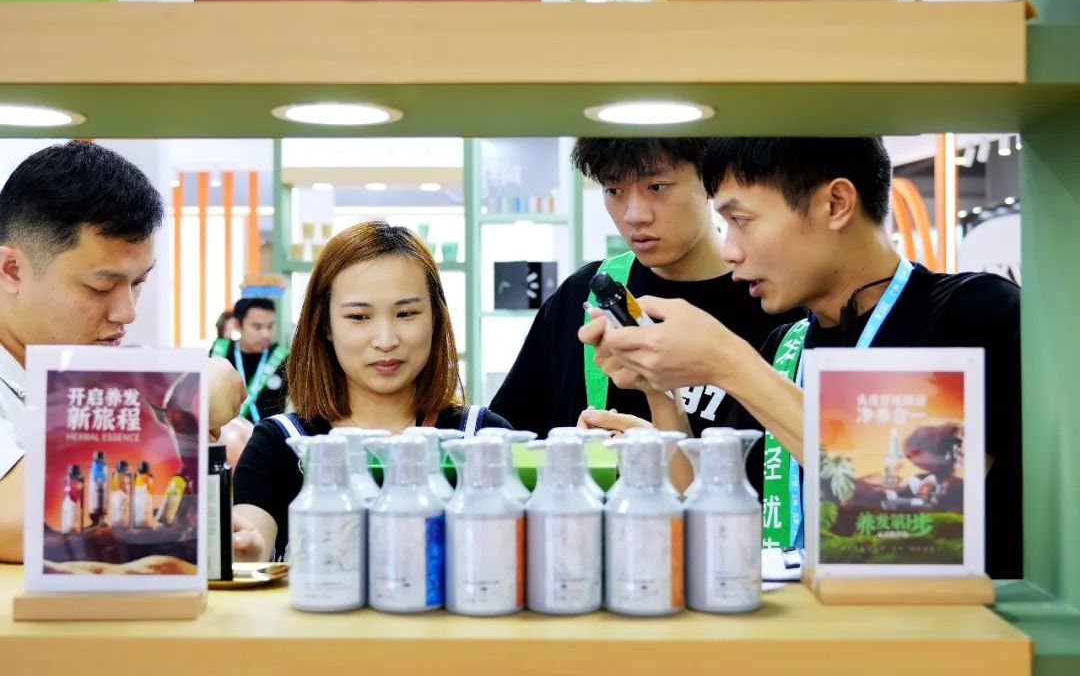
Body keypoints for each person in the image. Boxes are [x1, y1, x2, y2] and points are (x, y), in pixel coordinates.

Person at [580, 137, 1021, 579]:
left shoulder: (973, 315)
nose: (730, 250)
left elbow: (916, 521)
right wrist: (661, 396)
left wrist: (729, 363)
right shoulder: (785, 347)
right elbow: (708, 505)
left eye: (742, 220)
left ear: (836, 204)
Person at [0, 141, 246, 563]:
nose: (127, 312)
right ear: (12, 270)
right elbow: (16, 519)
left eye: (138, 283)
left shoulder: (102, 373)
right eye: (101, 287)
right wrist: (188, 404)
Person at [232, 221, 511, 561]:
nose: (386, 340)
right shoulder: (282, 444)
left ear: (436, 317)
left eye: (406, 313)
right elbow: (248, 539)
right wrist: (245, 549)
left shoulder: (483, 439)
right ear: (325, 325)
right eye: (359, 317)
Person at [491, 138, 801, 440]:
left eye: (657, 187)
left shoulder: (778, 300)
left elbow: (819, 458)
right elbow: (508, 439)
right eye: (614, 190)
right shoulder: (581, 295)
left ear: (710, 182)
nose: (634, 216)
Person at [211, 297, 289, 422]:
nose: (266, 334)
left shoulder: (283, 358)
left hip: (269, 433)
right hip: (225, 432)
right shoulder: (220, 352)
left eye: (270, 326)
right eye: (257, 327)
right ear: (237, 325)